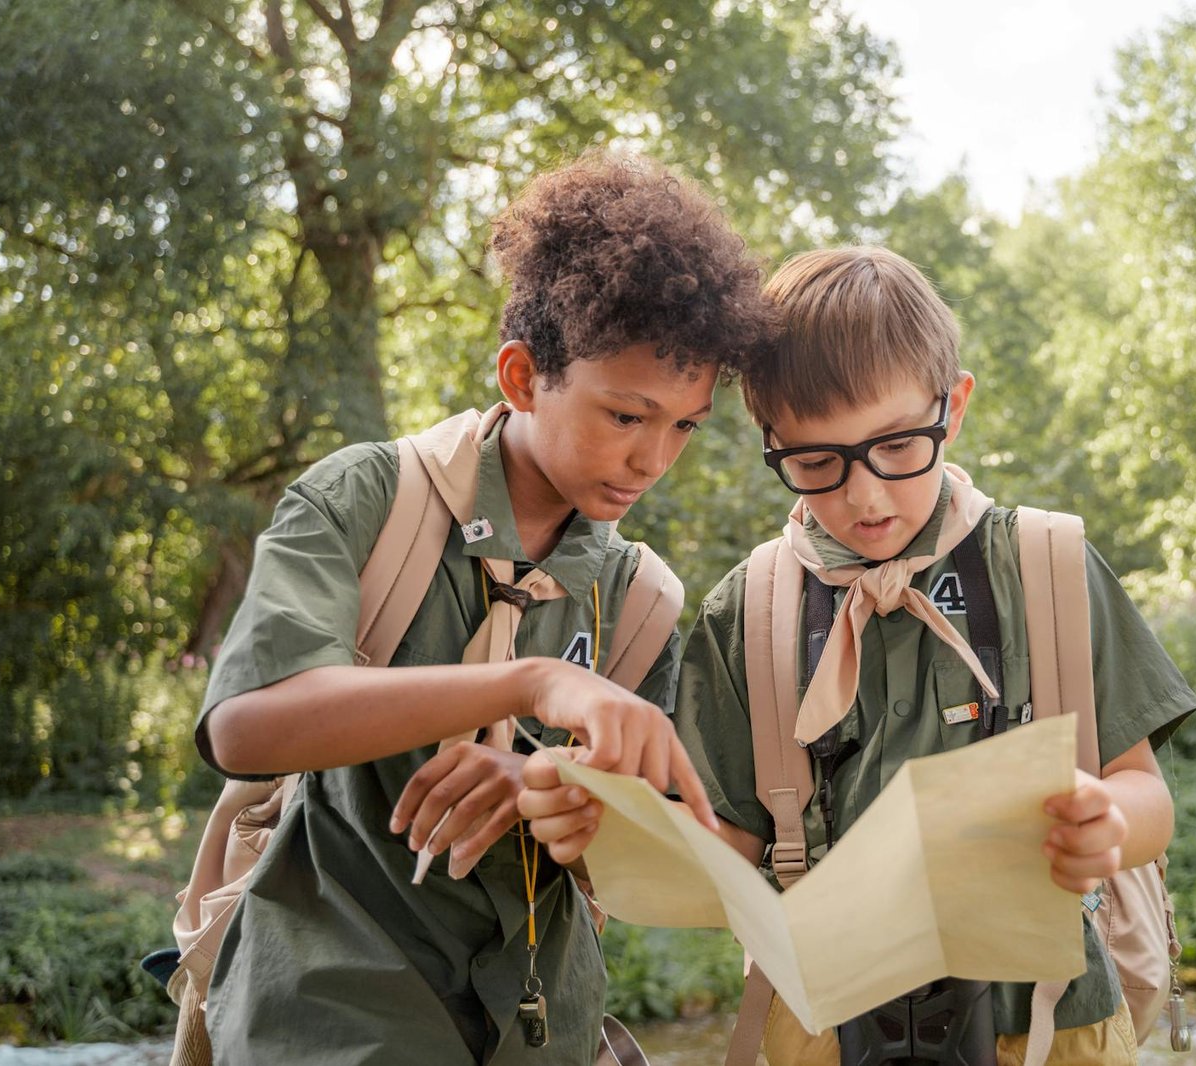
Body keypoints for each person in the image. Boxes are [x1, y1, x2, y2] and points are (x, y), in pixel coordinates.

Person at [522, 246, 1196, 1066]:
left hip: (1049, 1024)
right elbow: (730, 847)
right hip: (821, 1029)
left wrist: (1108, 821)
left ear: (953, 410)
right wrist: (613, 828)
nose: (865, 495)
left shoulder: (1045, 566)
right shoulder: (750, 610)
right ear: (770, 443)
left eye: (897, 446)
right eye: (815, 463)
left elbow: (1146, 798)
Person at [193, 154, 774, 1066]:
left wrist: (556, 794)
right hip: (331, 1010)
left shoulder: (641, 599)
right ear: (520, 376)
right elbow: (244, 729)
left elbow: (645, 845)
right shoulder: (363, 499)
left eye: (686, 425)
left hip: (547, 1028)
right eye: (625, 415)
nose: (655, 459)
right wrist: (533, 681)